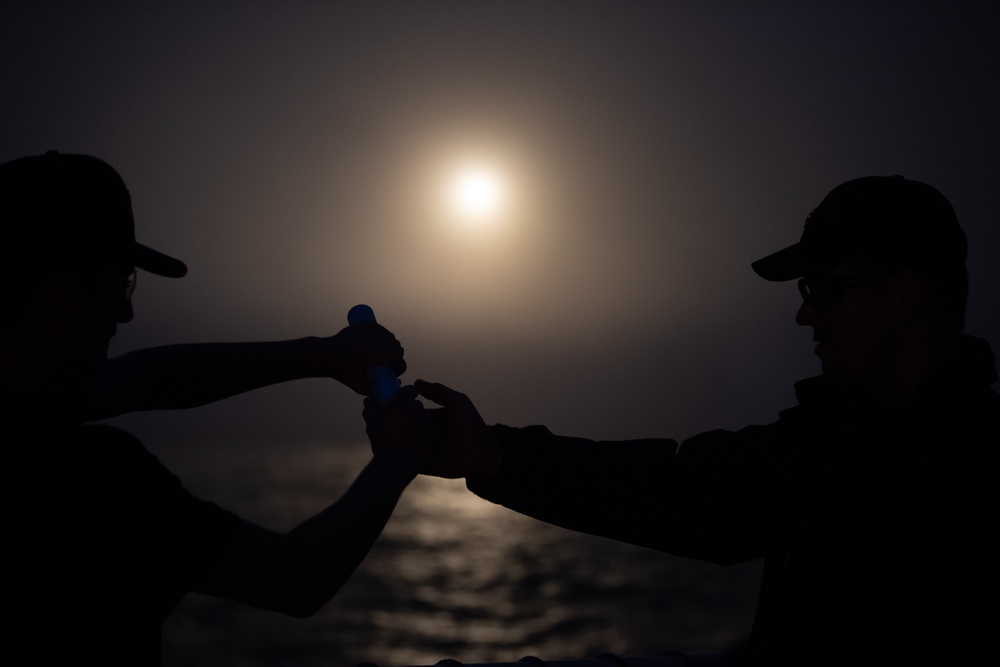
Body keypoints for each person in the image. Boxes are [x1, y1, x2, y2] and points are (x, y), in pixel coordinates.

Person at [364, 176, 1000, 665]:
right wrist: (492, 455)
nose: (807, 317)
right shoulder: (852, 447)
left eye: (825, 289)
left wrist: (492, 456)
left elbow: (693, 495)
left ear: (904, 295)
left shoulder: (938, 475)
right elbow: (692, 489)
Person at [1, 151, 439, 665]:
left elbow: (148, 379)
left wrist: (328, 354)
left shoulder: (30, 404)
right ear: (64, 297)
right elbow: (295, 579)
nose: (126, 310)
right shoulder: (89, 479)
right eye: (119, 284)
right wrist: (397, 458)